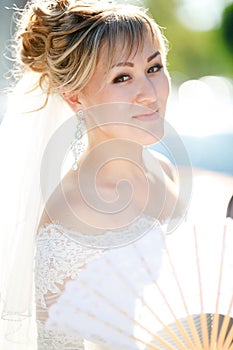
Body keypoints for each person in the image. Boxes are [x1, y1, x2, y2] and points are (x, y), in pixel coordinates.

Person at [0, 0, 188, 349]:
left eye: (154, 67)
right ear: (75, 98)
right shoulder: (67, 218)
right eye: (122, 77)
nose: (149, 94)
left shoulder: (165, 171)